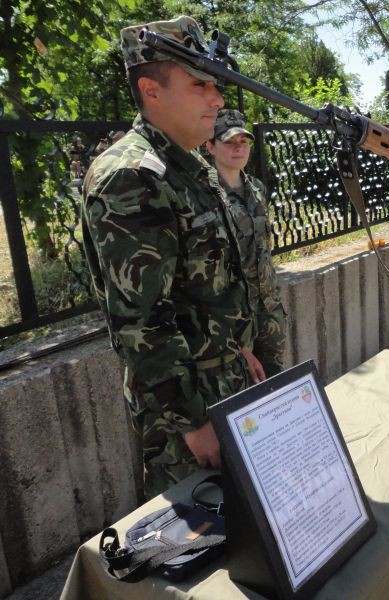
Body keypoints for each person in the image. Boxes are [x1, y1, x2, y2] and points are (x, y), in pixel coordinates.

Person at [81, 16, 261, 499]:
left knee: (248, 517)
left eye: (215, 85)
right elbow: (141, 322)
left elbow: (207, 284)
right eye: (199, 84)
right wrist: (192, 421)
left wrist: (239, 348)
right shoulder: (132, 175)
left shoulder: (185, 166)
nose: (217, 99)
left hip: (222, 378)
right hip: (187, 404)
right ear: (151, 91)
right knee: (208, 528)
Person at [206, 109, 286, 377]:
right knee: (243, 387)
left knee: (275, 381)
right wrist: (235, 336)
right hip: (233, 321)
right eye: (229, 141)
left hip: (269, 310)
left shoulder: (257, 188)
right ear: (210, 146)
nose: (238, 148)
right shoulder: (205, 196)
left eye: (243, 141)